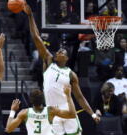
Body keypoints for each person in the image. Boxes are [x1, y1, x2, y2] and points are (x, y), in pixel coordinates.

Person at [23, 4, 100, 135]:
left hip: (68, 110)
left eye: (62, 51)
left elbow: (80, 98)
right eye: (58, 50)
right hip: (52, 111)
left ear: (67, 57)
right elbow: (36, 37)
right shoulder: (48, 61)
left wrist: (92, 114)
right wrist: (30, 16)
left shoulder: (71, 74)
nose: (59, 51)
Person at [6, 85, 76, 135]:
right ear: (43, 99)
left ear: (30, 100)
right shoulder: (51, 110)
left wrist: (13, 110)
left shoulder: (24, 113)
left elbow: (8, 129)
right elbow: (72, 114)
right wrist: (68, 95)